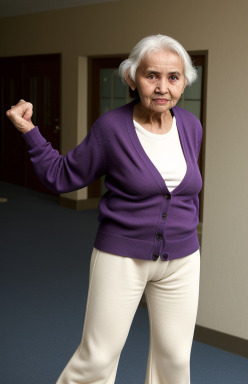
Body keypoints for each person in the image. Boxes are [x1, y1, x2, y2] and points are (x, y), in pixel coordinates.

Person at [7, 34, 203, 384]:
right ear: (132, 78)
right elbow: (61, 176)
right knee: (97, 359)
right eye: (151, 76)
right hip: (122, 256)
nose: (162, 87)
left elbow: (185, 193)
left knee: (175, 359)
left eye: (173, 77)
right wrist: (30, 132)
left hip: (183, 260)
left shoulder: (191, 126)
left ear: (184, 81)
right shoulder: (111, 129)